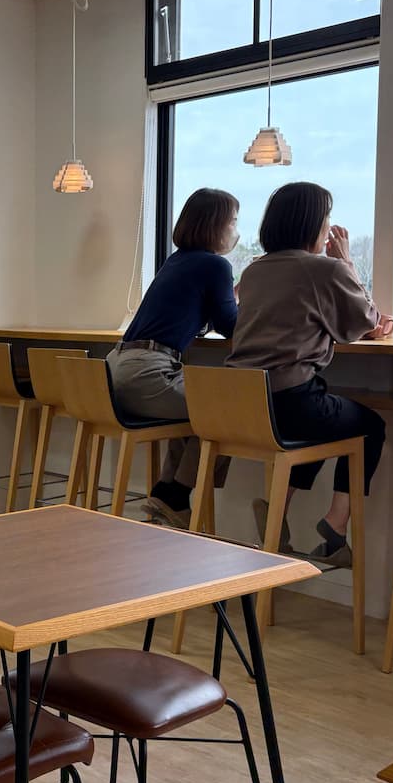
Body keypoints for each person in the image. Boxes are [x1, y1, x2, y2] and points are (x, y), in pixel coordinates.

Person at [227, 181, 393, 565]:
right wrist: (346, 262)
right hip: (291, 403)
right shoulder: (323, 269)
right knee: (369, 426)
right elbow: (363, 322)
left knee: (321, 423)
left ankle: (277, 510)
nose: (329, 227)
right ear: (313, 224)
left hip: (247, 405)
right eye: (327, 218)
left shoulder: (253, 271)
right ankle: (336, 523)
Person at [108, 187, 240, 528]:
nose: (236, 230)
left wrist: (228, 297)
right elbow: (230, 325)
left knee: (197, 409)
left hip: (116, 369)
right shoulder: (215, 265)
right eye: (233, 222)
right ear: (216, 225)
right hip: (146, 373)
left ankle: (168, 491)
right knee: (226, 412)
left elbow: (196, 313)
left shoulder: (176, 260)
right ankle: (176, 495)